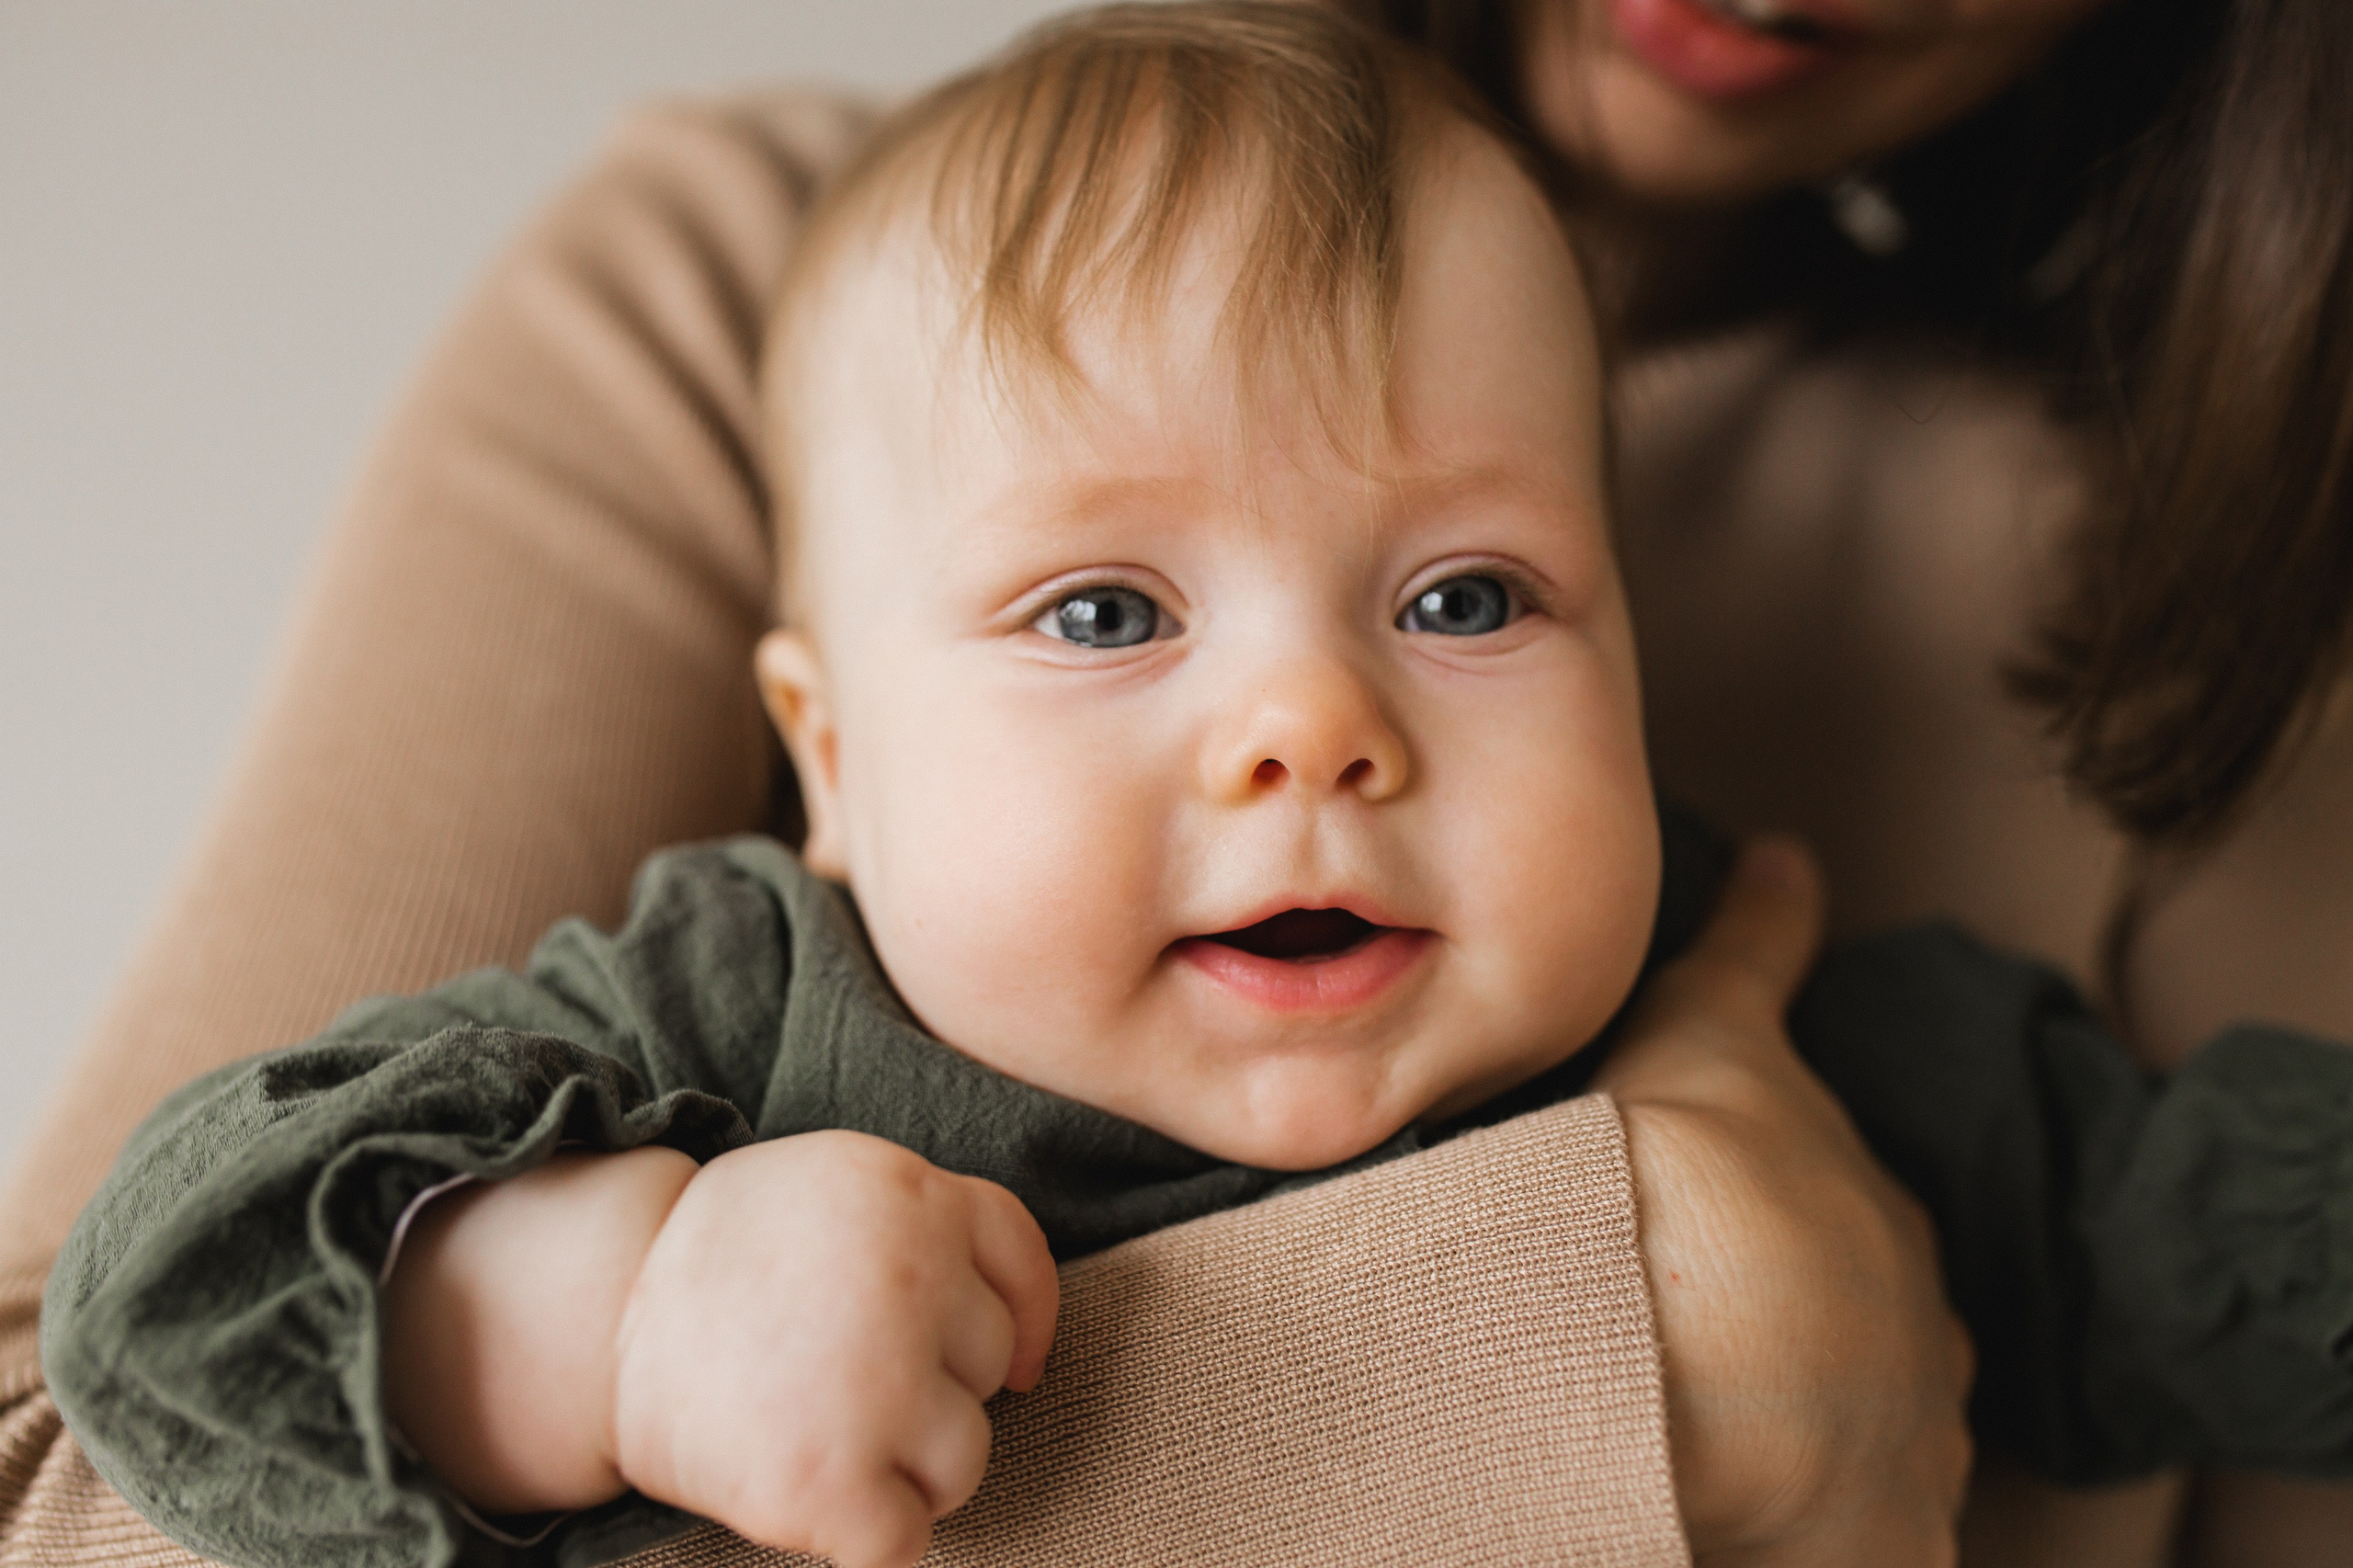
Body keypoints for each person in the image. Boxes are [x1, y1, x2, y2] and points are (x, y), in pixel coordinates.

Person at [3, 0, 2343, 1563]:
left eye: (1466, 602)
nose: (1311, 728)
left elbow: (2192, 1227)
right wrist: (611, 1321)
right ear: (825, 760)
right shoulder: (724, 1025)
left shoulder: (1800, 1018)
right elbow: (159, 1323)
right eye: (1108, 617)